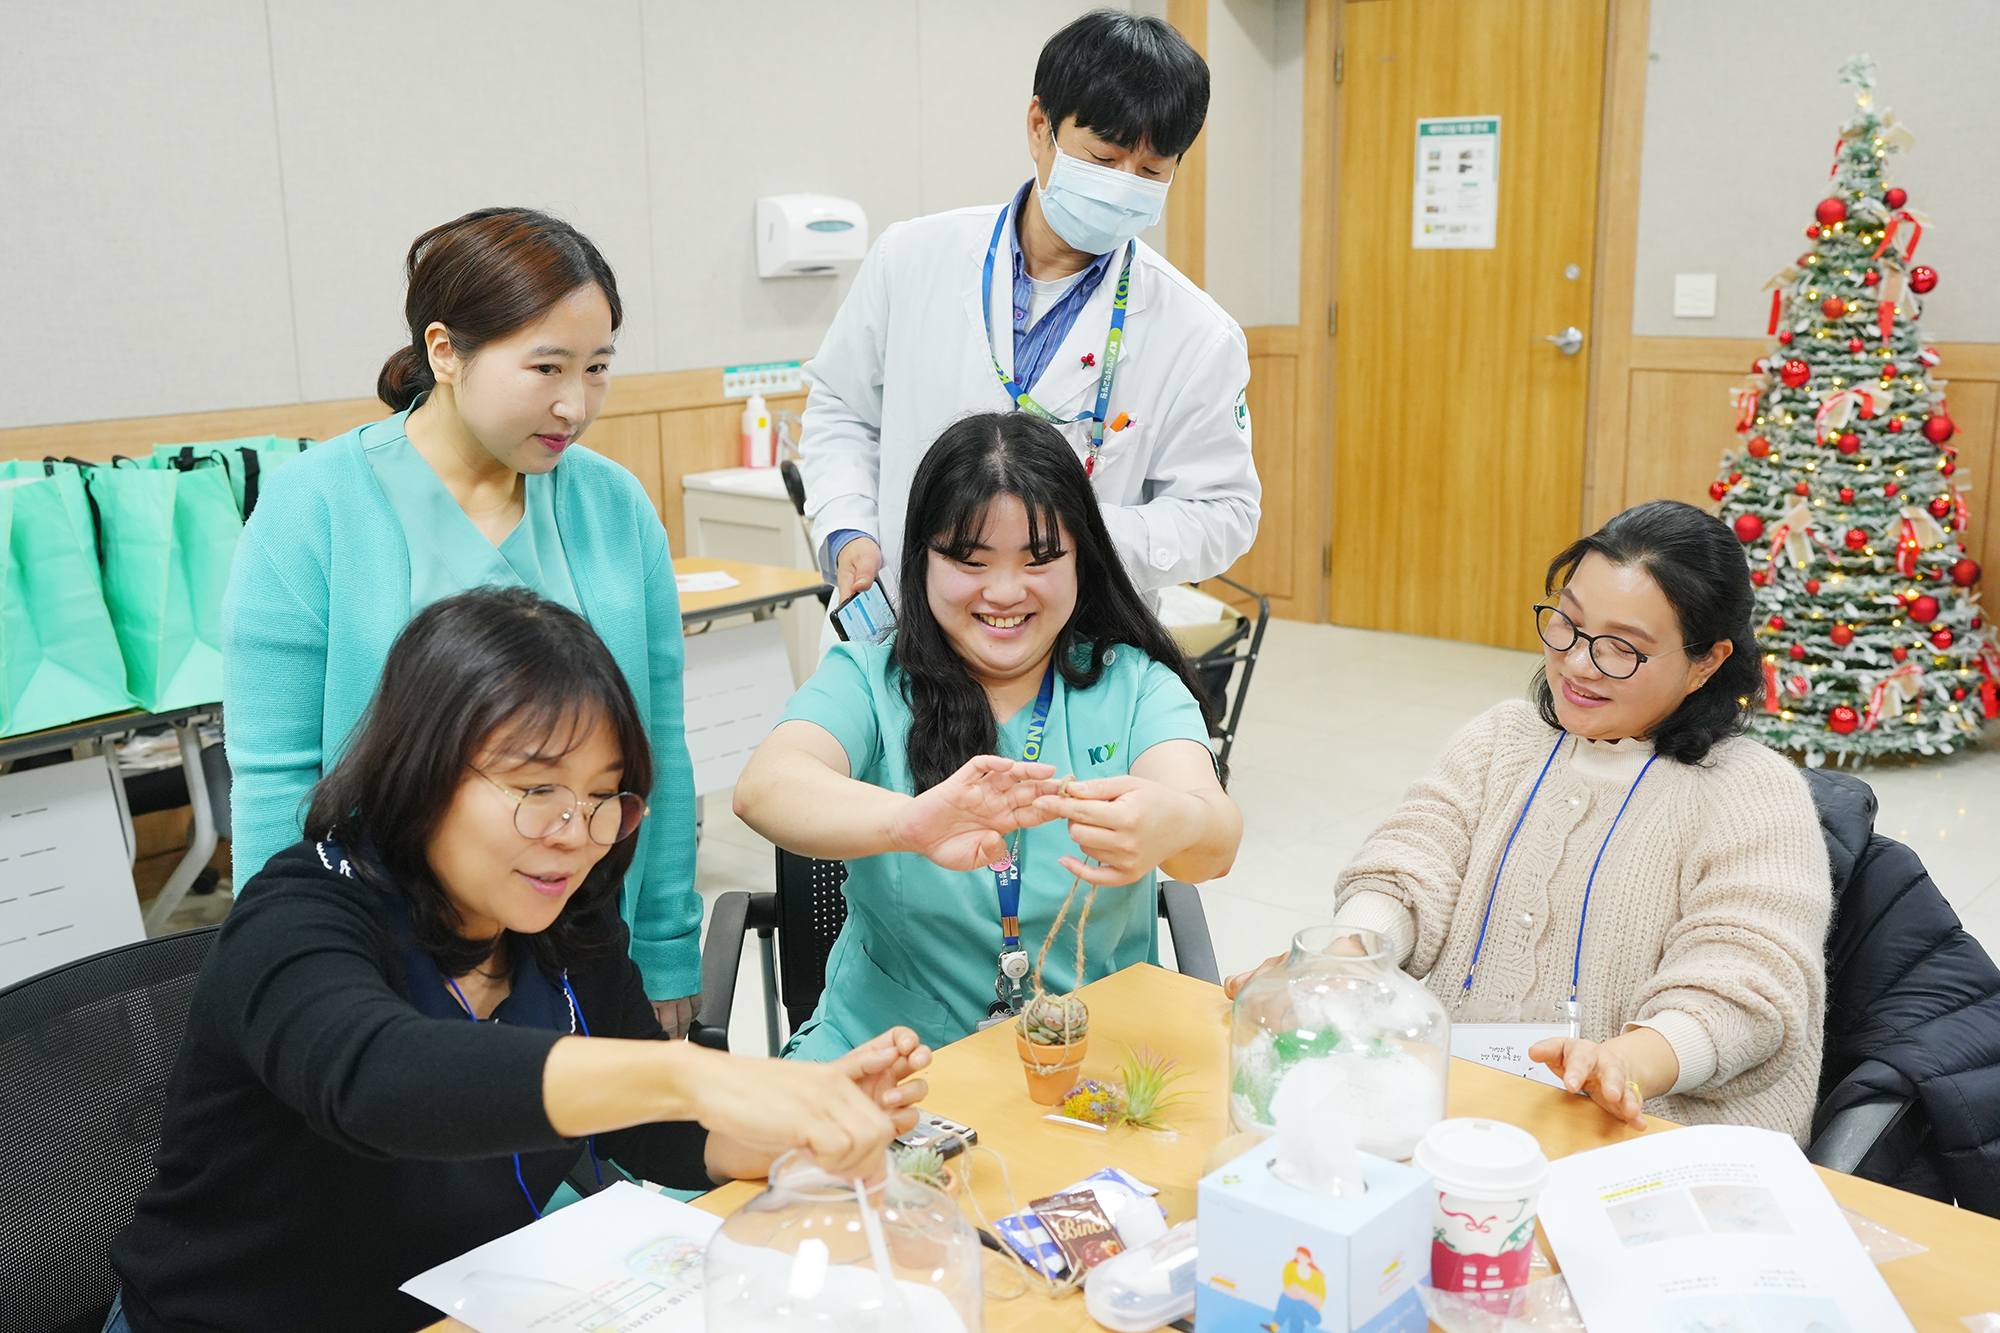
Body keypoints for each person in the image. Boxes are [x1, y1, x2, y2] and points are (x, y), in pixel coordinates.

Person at [108, 589, 930, 1333]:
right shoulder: (297, 917)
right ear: (423, 767)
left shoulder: (558, 914)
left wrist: (796, 1128)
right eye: (536, 789)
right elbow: (380, 1078)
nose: (575, 832)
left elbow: (652, 1128)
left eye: (603, 795)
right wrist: (692, 1071)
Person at [223, 207, 705, 1036]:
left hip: (577, 942)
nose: (574, 403)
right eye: (546, 366)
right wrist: (285, 977)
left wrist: (664, 948)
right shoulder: (316, 507)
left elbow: (655, 748)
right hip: (378, 955)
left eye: (597, 368)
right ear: (445, 351)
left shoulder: (612, 505)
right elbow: (276, 781)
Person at [1226, 501, 1832, 1141]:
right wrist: (1342, 959)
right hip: (1462, 1104)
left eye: (1621, 649)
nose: (1577, 663)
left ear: (1705, 662)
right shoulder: (1502, 739)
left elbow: (1746, 981)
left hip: (1641, 1131)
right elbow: (1412, 863)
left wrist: (1628, 1062)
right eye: (1568, 625)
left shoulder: (1752, 792)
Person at [734, 412, 1242, 1059]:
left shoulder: (1134, 684)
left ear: (1082, 558)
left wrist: (1178, 821)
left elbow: (1215, 841)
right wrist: (910, 822)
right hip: (883, 1056)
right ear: (922, 561)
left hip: (1088, 1059)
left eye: (1041, 558)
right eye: (970, 560)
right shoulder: (869, 678)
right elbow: (765, 787)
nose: (1004, 591)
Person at [800, 8, 1259, 609]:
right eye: (1103, 158)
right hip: (907, 619)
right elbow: (841, 408)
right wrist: (847, 528)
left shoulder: (1198, 335)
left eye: (1151, 170)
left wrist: (1080, 537)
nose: (1124, 183)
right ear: (1040, 126)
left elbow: (1223, 512)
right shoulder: (911, 257)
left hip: (1076, 638)